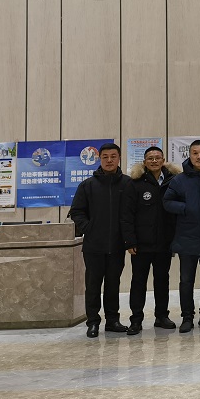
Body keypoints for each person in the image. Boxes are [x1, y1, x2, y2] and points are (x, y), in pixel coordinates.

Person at [69, 142, 130, 338]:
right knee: (93, 286)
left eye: (113, 156)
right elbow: (77, 212)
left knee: (113, 285)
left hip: (117, 245)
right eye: (105, 157)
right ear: (99, 159)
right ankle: (93, 322)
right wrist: (89, 228)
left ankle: (112, 321)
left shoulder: (127, 184)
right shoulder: (88, 185)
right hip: (93, 246)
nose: (109, 160)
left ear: (119, 158)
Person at [121, 146, 181, 335]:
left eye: (157, 158)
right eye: (150, 158)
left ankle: (161, 316)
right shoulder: (135, 183)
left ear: (163, 160)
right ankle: (136, 320)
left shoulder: (173, 181)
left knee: (162, 281)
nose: (154, 161)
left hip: (164, 243)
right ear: (144, 162)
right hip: (141, 245)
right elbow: (126, 215)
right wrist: (130, 241)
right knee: (138, 282)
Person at [164, 140, 200, 332]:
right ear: (189, 155)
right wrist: (186, 208)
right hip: (186, 238)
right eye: (195, 153)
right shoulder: (179, 180)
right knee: (186, 280)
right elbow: (167, 202)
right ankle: (187, 317)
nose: (199, 156)